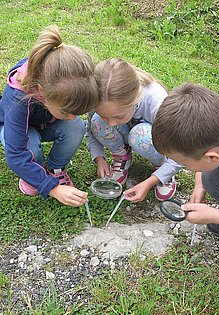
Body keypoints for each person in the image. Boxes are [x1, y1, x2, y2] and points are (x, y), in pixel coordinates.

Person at [0, 25, 99, 207]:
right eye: (66, 111)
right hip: (14, 129)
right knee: (30, 143)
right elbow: (15, 155)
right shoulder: (18, 98)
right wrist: (52, 188)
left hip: (45, 123)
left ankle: (55, 168)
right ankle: (34, 176)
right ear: (42, 92)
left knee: (76, 127)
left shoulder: (67, 80)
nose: (71, 117)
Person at [86, 58, 181, 203]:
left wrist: (150, 182)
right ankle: (121, 156)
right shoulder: (96, 97)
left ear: (135, 99)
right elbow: (91, 131)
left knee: (139, 135)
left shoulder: (157, 104)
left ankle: (162, 166)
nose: (111, 123)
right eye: (105, 115)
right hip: (128, 132)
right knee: (97, 122)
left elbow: (180, 151)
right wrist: (99, 157)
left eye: (119, 116)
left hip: (153, 138)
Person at [152, 82, 219, 238]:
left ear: (212, 157)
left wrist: (217, 215)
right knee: (209, 177)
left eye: (184, 163)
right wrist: (199, 185)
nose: (185, 167)